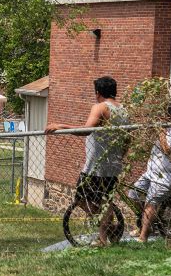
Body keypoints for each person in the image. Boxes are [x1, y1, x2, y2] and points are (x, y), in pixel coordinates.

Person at [45, 76, 130, 246]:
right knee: (106, 200)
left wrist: (61, 126)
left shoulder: (100, 107)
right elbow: (128, 139)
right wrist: (120, 156)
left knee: (81, 198)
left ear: (98, 93)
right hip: (113, 165)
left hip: (95, 166)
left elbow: (85, 130)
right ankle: (104, 236)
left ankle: (107, 229)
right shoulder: (123, 110)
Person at [129, 109, 171, 242]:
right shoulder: (165, 129)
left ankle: (143, 236)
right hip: (151, 173)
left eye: (163, 116)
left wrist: (161, 130)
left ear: (169, 116)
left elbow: (167, 149)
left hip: (165, 178)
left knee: (151, 203)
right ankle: (148, 222)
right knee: (133, 193)